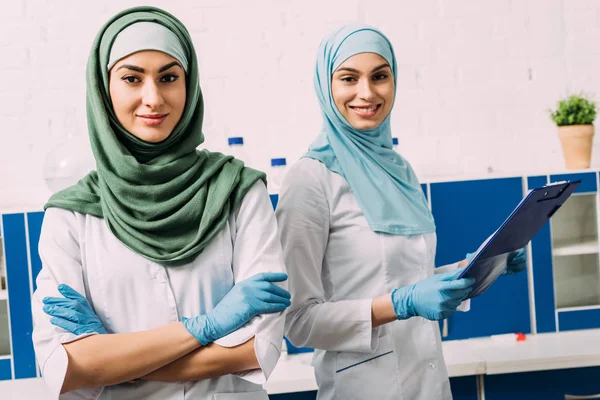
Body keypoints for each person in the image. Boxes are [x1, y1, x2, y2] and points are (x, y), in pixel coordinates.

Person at [32, 6, 289, 400]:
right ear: (104, 88)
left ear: (190, 86)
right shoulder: (70, 214)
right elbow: (65, 367)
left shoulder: (239, 191)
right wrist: (208, 327)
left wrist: (113, 359)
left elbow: (258, 347)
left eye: (169, 77)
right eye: (132, 78)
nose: (152, 98)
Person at [276, 24, 526, 400]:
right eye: (349, 78)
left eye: (380, 76)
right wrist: (402, 304)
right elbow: (297, 321)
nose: (367, 92)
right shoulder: (309, 178)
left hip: (429, 384)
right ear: (327, 87)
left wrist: (474, 268)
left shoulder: (400, 170)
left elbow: (408, 279)